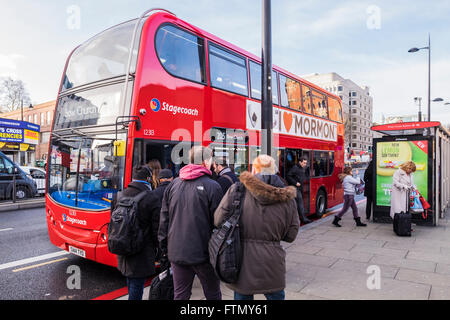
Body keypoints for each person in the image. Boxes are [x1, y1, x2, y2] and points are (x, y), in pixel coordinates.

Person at [214, 155, 299, 300]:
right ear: (274, 170)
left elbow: (218, 220)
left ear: (254, 169)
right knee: (276, 294)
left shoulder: (237, 189)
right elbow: (291, 235)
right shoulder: (287, 198)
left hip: (241, 260)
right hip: (273, 261)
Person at [158, 146, 223, 300]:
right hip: (204, 253)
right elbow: (220, 223)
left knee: (180, 294)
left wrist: (164, 247)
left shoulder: (173, 185)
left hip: (176, 251)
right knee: (213, 293)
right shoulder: (213, 186)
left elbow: (164, 219)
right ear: (206, 162)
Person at [111, 165, 161, 300]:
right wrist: (159, 249)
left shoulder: (119, 195)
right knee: (137, 286)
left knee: (131, 280)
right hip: (142, 250)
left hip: (122, 244)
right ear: (148, 178)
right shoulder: (151, 198)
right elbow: (156, 228)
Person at [286, 156, 312, 224]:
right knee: (300, 203)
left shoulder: (302, 168)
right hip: (295, 188)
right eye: (304, 163)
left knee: (298, 203)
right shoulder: (295, 168)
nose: (305, 164)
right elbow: (288, 176)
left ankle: (296, 218)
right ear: (300, 162)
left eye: (306, 163)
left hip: (300, 188)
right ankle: (303, 218)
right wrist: (295, 183)